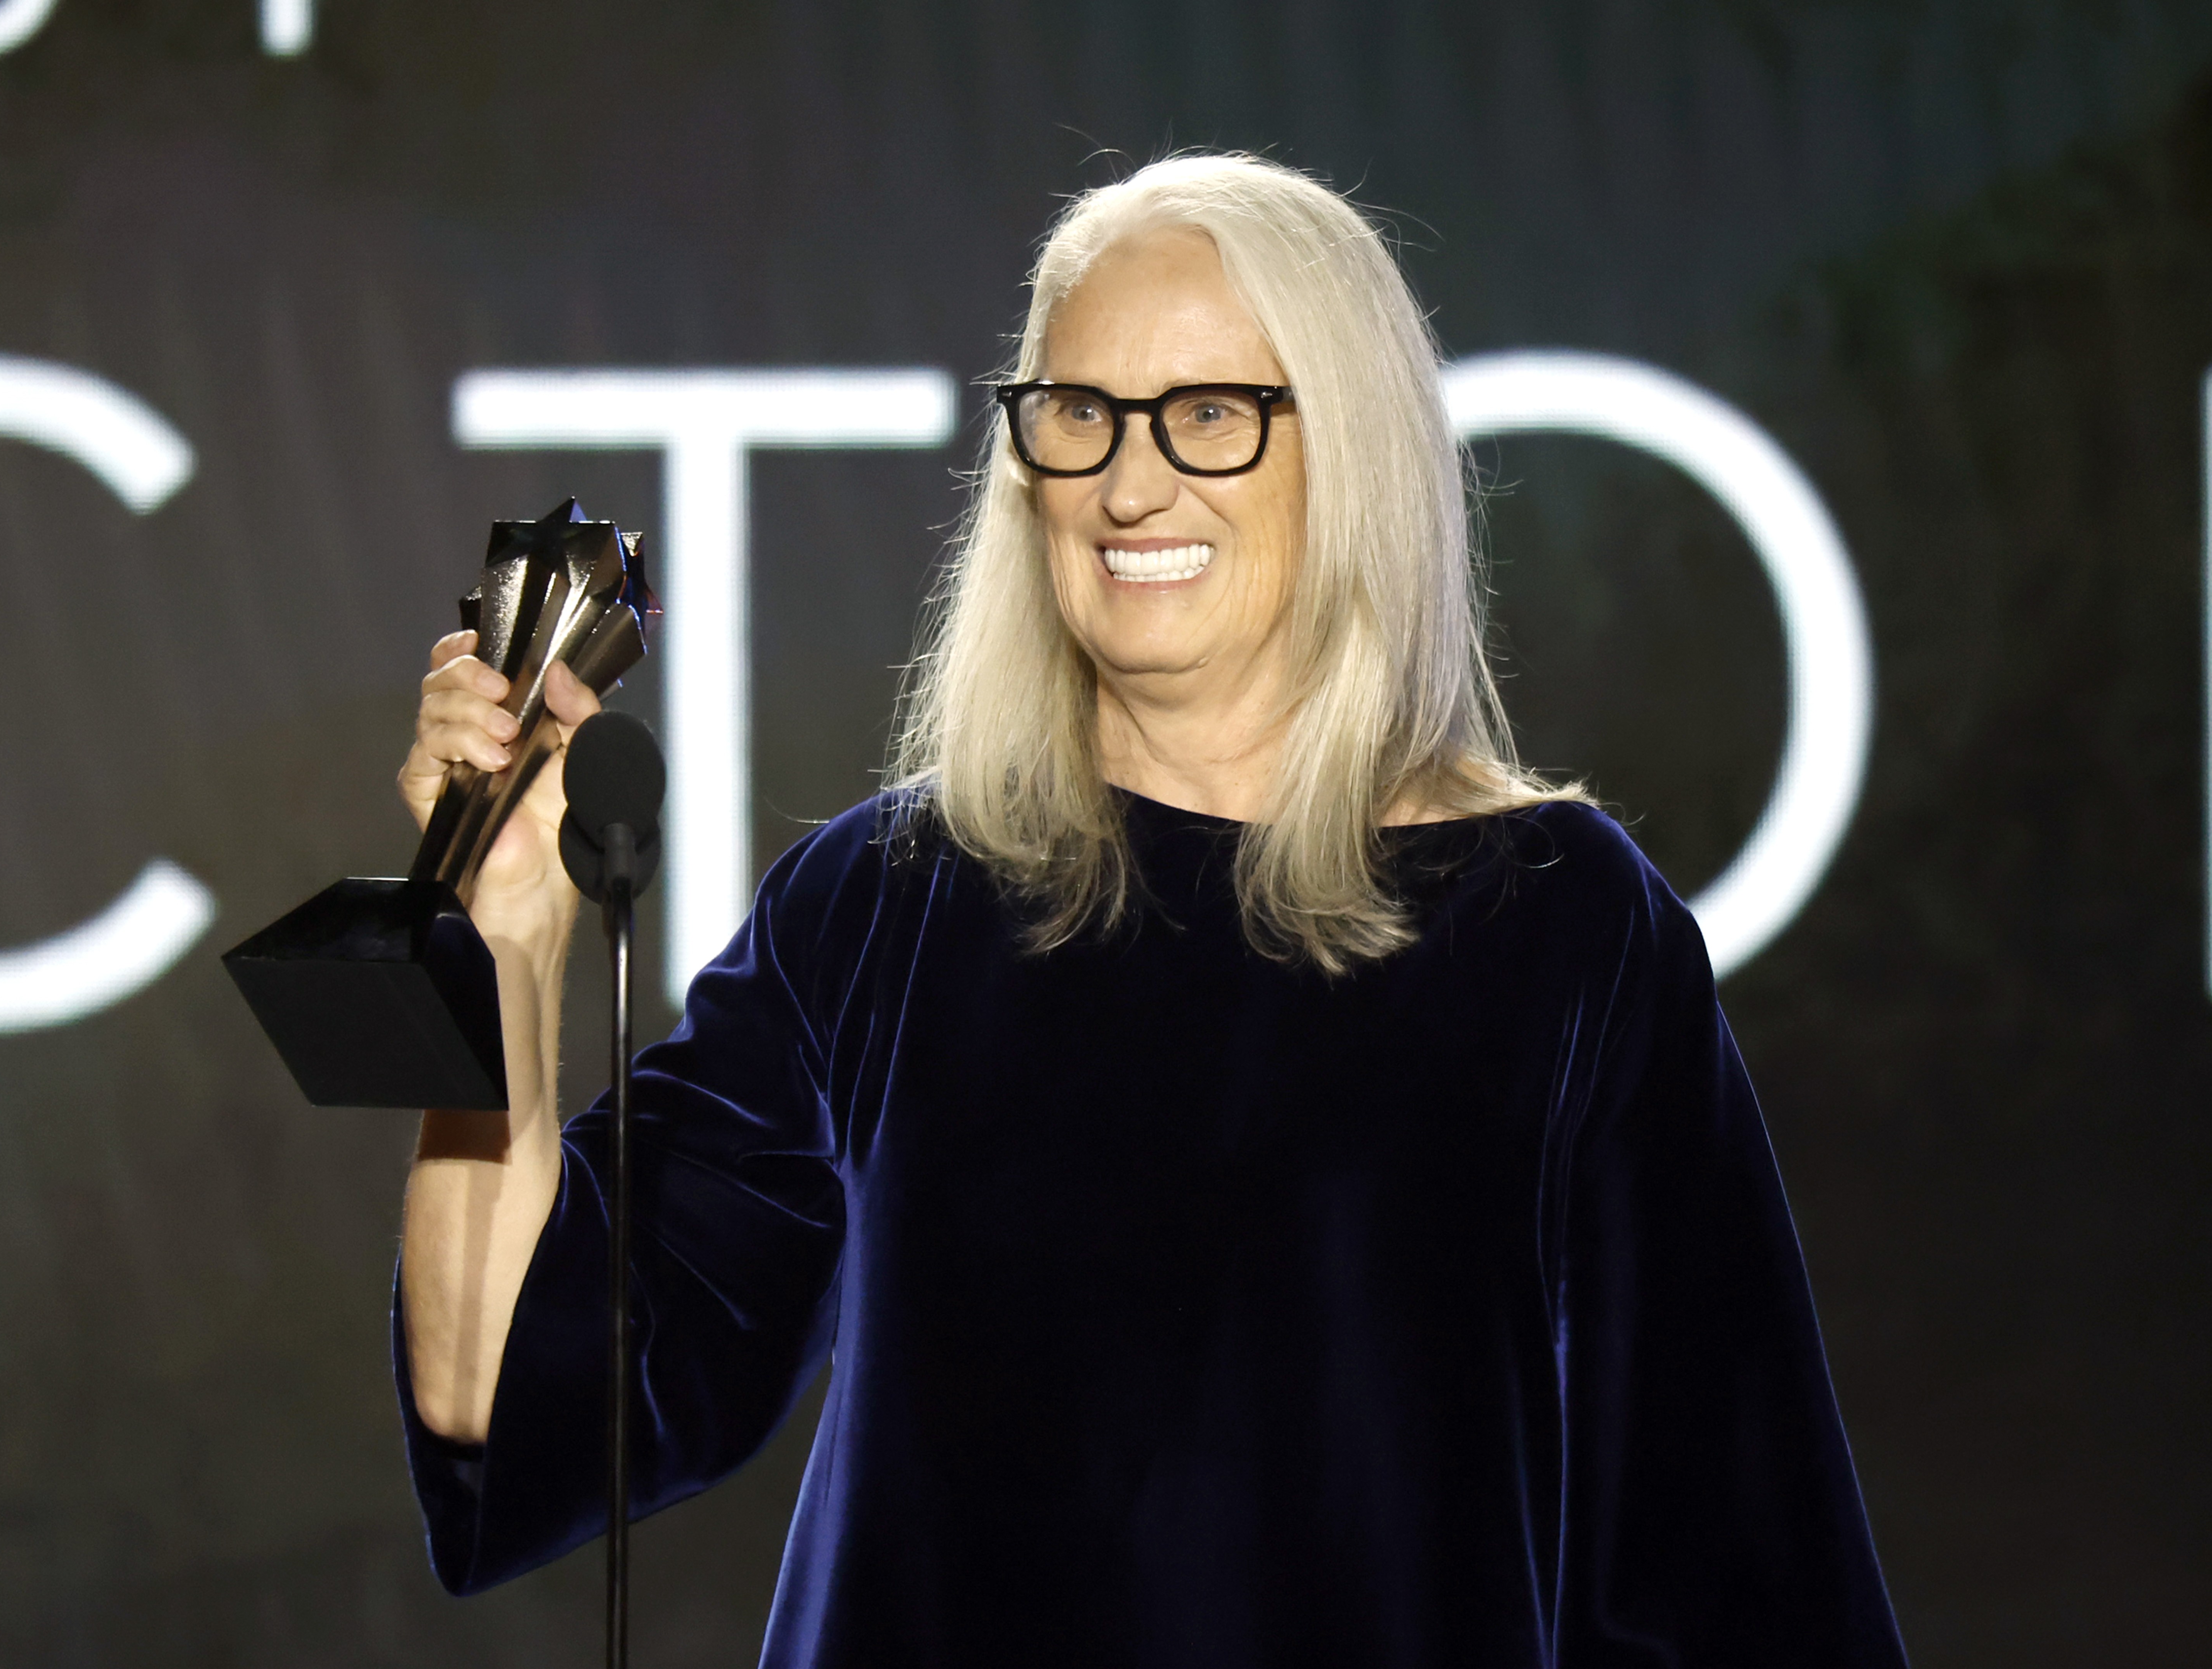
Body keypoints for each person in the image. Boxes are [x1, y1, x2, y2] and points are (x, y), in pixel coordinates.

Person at [394, 154, 1908, 1666]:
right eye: (1080, 415)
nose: (1129, 484)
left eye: (1209, 414)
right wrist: (510, 943)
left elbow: (1732, 1563)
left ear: (1355, 449)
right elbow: (518, 1395)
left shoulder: (1563, 926)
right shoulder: (886, 901)